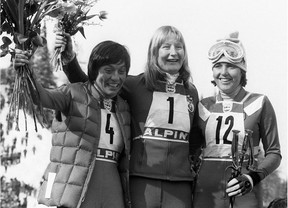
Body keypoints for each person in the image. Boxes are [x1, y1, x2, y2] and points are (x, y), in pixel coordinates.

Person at [56, 25, 203, 208]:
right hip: (141, 181)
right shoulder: (136, 85)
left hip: (180, 184)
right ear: (154, 53)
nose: (173, 52)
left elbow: (196, 138)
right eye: (166, 47)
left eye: (179, 47)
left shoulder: (192, 92)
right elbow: (92, 85)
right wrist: (70, 60)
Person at [13, 41, 132, 208]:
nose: (115, 77)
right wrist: (26, 71)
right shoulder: (73, 93)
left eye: (122, 71)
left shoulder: (124, 108)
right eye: (108, 70)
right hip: (76, 189)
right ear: (94, 70)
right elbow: (42, 97)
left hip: (113, 191)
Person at [193, 32, 282, 208]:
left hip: (246, 195)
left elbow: (274, 153)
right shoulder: (203, 106)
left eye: (231, 66)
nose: (224, 72)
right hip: (205, 195)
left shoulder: (259, 103)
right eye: (218, 66)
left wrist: (252, 177)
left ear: (242, 71)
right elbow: (190, 151)